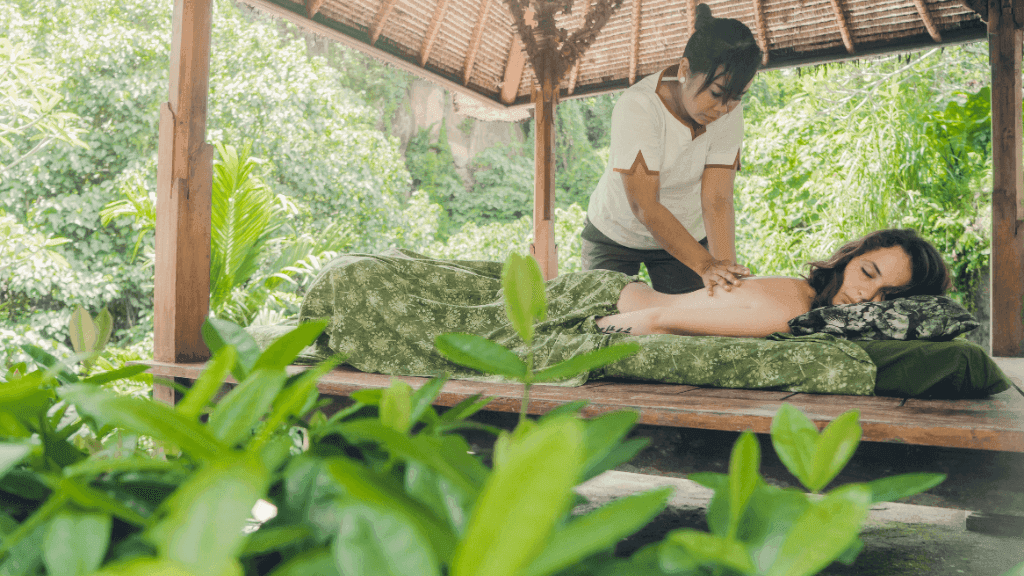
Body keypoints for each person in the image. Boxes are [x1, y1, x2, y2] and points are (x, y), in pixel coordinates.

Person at [582, 3, 762, 296]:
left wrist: (726, 272)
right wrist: (706, 266)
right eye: (716, 93)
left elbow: (717, 199)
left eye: (736, 97)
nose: (723, 108)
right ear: (685, 70)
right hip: (615, 233)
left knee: (698, 322)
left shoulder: (728, 111)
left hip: (686, 237)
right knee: (605, 323)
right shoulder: (639, 106)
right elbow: (645, 205)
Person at [595, 228, 952, 338]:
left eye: (887, 297)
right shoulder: (792, 309)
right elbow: (658, 321)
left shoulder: (811, 307)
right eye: (867, 273)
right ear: (848, 259)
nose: (865, 296)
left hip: (622, 297)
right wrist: (575, 336)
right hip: (604, 302)